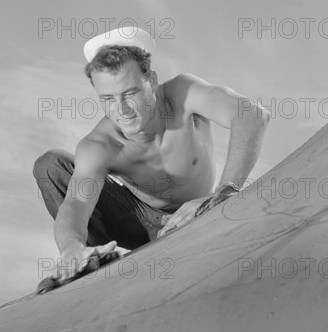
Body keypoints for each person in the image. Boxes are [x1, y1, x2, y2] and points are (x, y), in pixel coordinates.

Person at [33, 27, 270, 279]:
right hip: (141, 224)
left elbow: (253, 115)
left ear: (152, 81)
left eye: (130, 93)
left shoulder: (183, 94)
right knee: (50, 165)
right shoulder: (101, 144)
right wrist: (70, 248)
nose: (122, 109)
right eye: (108, 99)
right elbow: (77, 202)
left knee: (217, 201)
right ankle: (88, 260)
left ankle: (207, 208)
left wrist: (223, 191)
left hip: (200, 213)